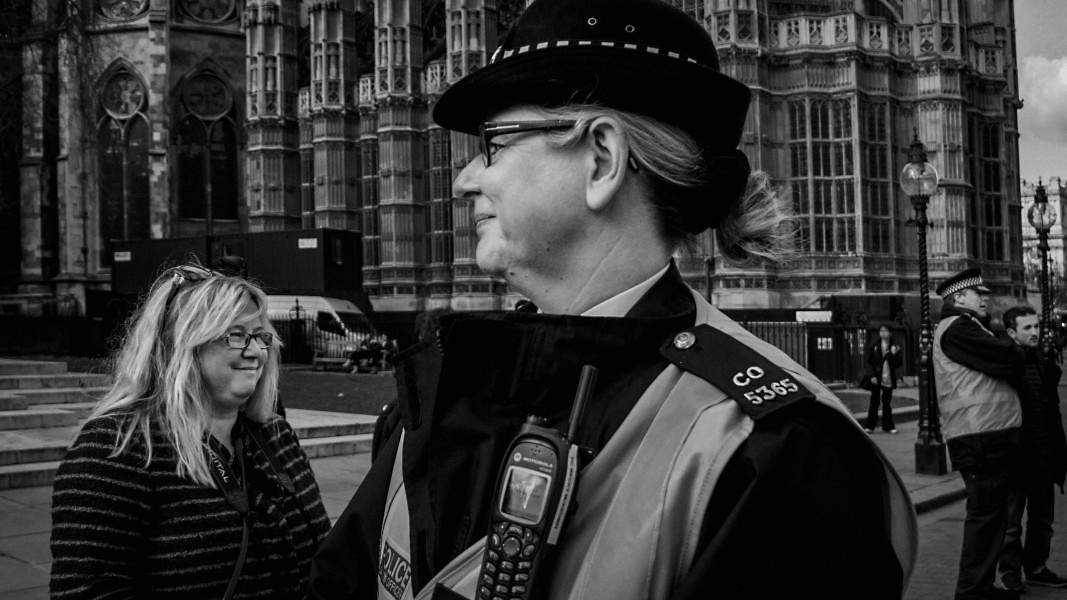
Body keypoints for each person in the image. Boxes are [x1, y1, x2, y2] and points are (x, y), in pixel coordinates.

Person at [307, 0, 917, 598]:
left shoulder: (779, 456)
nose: (466, 179)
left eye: (493, 143)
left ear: (601, 159)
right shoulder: (437, 393)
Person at [50, 263, 331, 599]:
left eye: (260, 336)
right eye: (237, 335)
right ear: (182, 344)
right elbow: (87, 591)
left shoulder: (276, 434)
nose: (256, 352)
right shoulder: (113, 448)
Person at [933, 267, 1026, 600]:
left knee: (993, 519)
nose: (985, 298)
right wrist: (1014, 350)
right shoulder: (957, 328)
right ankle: (972, 591)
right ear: (960, 297)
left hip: (988, 437)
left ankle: (981, 587)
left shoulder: (971, 327)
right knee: (985, 519)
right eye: (979, 294)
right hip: (977, 438)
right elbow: (1009, 359)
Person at [997, 305, 1067, 593]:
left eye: (1037, 327)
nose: (1035, 332)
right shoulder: (1006, 364)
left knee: (1042, 519)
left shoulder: (1041, 361)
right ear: (1012, 332)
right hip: (1017, 454)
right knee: (1011, 523)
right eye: (1028, 328)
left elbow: (1050, 409)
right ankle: (1010, 572)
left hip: (1043, 452)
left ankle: (1036, 567)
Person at [865, 324, 903, 434]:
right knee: (874, 402)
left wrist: (894, 354)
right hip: (877, 378)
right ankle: (870, 426)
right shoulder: (875, 345)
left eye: (886, 331)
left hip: (888, 378)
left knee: (886, 403)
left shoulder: (894, 346)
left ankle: (888, 426)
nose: (883, 333)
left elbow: (898, 364)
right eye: (881, 330)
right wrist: (872, 375)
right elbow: (868, 362)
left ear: (890, 333)